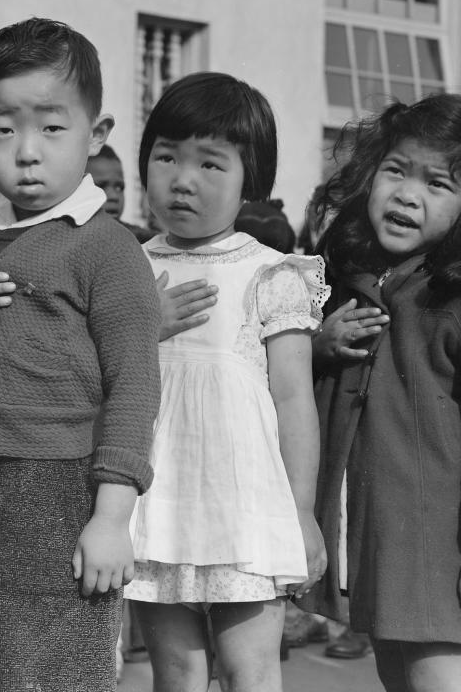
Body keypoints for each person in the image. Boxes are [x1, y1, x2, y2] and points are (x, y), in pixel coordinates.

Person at [0, 17, 161, 692]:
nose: (26, 151)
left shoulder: (108, 250)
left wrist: (111, 519)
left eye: (52, 128)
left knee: (45, 674)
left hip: (57, 497)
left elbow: (135, 389)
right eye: (3, 129)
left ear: (97, 135)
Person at [123, 72, 328, 692]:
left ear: (251, 181)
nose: (183, 180)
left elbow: (294, 401)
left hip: (245, 511)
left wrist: (301, 513)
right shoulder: (127, 267)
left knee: (252, 672)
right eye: (166, 158)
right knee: (176, 674)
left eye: (210, 164)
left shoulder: (271, 273)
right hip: (155, 507)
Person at [303, 94, 461, 691]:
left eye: (438, 183)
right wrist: (318, 345)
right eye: (395, 170)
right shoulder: (351, 281)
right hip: (383, 538)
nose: (406, 194)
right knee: (398, 672)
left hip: (438, 545)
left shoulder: (450, 296)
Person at [88, 144, 154, 243]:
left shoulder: (142, 241)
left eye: (119, 188)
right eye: (101, 186)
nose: (114, 196)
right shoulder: (63, 241)